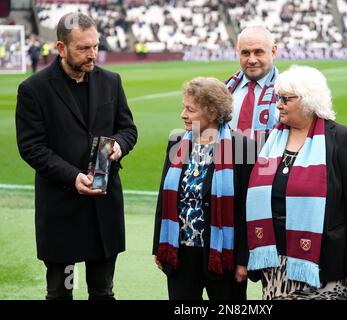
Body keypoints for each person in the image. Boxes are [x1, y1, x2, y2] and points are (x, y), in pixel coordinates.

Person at [15, 12, 137, 300]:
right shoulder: (34, 89)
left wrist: (119, 144)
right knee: (60, 292)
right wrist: (73, 176)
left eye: (95, 46)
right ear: (61, 48)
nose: (92, 54)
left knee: (102, 292)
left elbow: (128, 129)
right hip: (61, 209)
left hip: (103, 211)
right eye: (83, 48)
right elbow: (31, 147)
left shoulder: (111, 81)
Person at [246, 65, 347, 300]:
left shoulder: (342, 139)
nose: (279, 104)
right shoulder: (273, 140)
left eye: (286, 99)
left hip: (326, 264)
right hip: (277, 262)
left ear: (307, 101)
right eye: (277, 98)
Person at [152, 77, 255, 300]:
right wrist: (158, 248)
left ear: (211, 112)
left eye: (190, 109)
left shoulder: (242, 147)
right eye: (183, 107)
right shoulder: (177, 142)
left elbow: (248, 209)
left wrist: (243, 260)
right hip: (180, 253)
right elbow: (165, 197)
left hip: (222, 255)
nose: (183, 114)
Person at [225, 25, 278, 143]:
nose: (252, 60)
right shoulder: (224, 90)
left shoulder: (287, 92)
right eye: (245, 53)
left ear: (273, 52)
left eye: (258, 52)